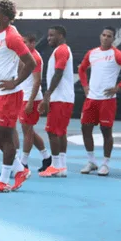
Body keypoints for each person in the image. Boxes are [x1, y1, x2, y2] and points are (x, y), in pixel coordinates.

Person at [0, 0, 35, 193]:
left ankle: (4, 180)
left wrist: (15, 82)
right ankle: (20, 169)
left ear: (5, 18)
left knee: (5, 137)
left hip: (9, 94)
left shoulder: (13, 36)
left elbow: (30, 63)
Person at [78, 27, 121, 176]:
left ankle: (105, 163)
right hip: (92, 98)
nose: (105, 38)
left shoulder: (116, 55)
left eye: (109, 36)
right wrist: (85, 86)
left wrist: (118, 87)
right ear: (100, 36)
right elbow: (81, 69)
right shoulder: (92, 53)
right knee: (85, 128)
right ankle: (91, 161)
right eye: (103, 35)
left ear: (113, 39)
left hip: (107, 100)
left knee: (106, 131)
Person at [38, 26, 75, 178]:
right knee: (60, 132)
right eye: (48, 35)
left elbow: (58, 73)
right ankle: (62, 166)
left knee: (52, 131)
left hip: (60, 98)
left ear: (61, 35)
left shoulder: (61, 50)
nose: (49, 38)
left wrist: (47, 94)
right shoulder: (62, 50)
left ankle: (55, 165)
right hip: (64, 97)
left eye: (52, 35)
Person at [17, 33, 52, 173]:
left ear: (32, 43)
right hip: (24, 95)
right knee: (28, 130)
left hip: (31, 97)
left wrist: (31, 101)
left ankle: (23, 163)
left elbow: (37, 81)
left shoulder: (35, 57)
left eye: (25, 42)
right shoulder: (23, 55)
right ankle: (46, 157)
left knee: (27, 131)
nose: (23, 45)